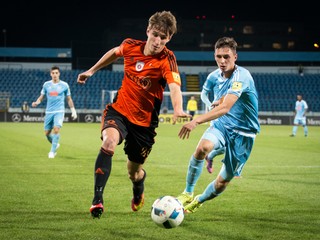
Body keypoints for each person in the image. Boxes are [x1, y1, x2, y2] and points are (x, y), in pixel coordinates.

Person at [76, 11, 190, 219]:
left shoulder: (167, 58)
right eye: (155, 34)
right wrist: (91, 71)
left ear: (169, 38)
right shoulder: (130, 45)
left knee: (134, 172)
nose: (157, 41)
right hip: (119, 110)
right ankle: (97, 200)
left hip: (144, 125)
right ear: (148, 31)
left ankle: (138, 189)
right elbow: (114, 52)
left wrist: (178, 109)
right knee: (108, 142)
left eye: (163, 38)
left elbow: (174, 86)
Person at [176, 37, 260, 213]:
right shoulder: (214, 76)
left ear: (235, 57)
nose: (222, 61)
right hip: (222, 125)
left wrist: (196, 120)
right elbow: (210, 98)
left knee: (223, 182)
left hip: (244, 134)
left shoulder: (242, 76)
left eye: (226, 57)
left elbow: (225, 107)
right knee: (201, 149)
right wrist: (213, 102)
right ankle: (187, 193)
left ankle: (199, 200)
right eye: (218, 56)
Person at [32, 66, 77, 159]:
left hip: (59, 111)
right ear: (50, 74)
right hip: (49, 111)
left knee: (56, 129)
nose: (55, 75)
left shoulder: (64, 85)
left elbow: (69, 99)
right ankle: (55, 143)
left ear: (59, 74)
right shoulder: (46, 85)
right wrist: (37, 102)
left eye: (56, 73)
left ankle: (52, 152)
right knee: (47, 133)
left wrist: (73, 111)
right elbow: (42, 97)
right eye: (53, 73)